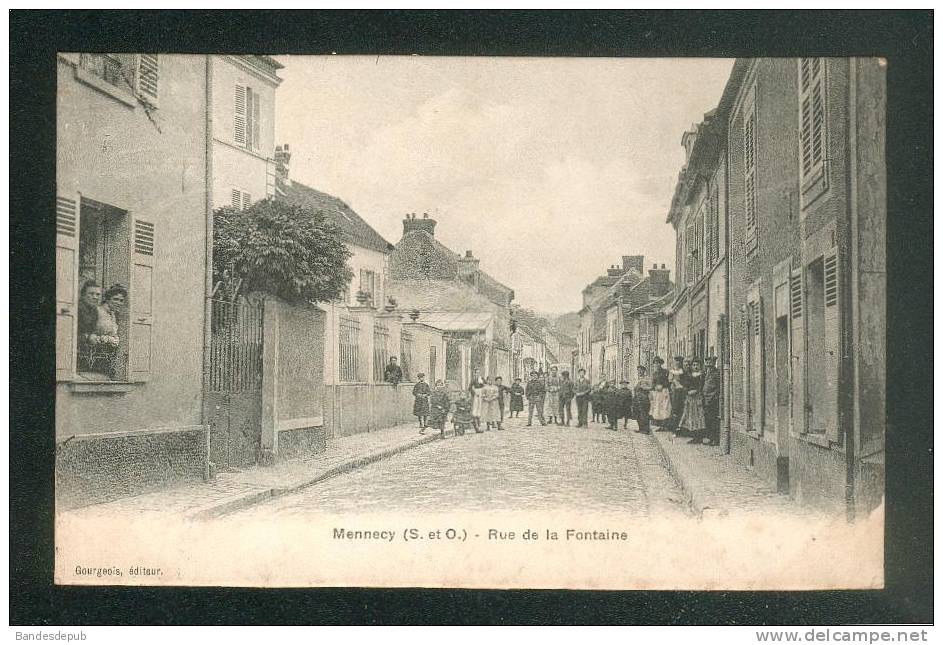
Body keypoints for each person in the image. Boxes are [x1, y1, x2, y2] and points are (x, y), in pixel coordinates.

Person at [679, 358, 706, 442]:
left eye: (697, 365)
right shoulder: (690, 375)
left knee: (698, 418)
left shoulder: (701, 375)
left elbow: (702, 386)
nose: (695, 367)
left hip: (697, 398)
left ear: (700, 366)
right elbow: (686, 385)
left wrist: (696, 391)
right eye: (694, 365)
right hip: (690, 399)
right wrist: (687, 391)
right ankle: (694, 436)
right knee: (691, 417)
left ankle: (698, 437)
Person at [701, 356, 721, 446]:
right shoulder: (705, 373)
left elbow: (717, 388)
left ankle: (715, 439)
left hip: (713, 401)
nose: (708, 365)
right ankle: (709, 438)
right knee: (708, 420)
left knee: (713, 420)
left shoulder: (716, 374)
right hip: (706, 400)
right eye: (707, 363)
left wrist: (713, 397)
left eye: (710, 363)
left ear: (714, 363)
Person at [650, 357, 672, 430]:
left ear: (661, 364)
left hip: (664, 391)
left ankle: (665, 425)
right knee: (658, 408)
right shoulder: (654, 373)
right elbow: (652, 383)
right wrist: (655, 387)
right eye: (655, 363)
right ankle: (660, 425)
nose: (656, 364)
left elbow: (668, 382)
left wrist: (663, 386)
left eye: (658, 363)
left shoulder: (665, 372)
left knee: (665, 407)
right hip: (658, 393)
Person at [668, 356, 687, 433]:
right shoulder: (673, 371)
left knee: (681, 409)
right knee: (674, 409)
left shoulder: (683, 371)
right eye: (676, 361)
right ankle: (674, 428)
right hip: (675, 392)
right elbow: (670, 381)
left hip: (682, 392)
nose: (677, 363)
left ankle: (680, 428)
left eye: (679, 362)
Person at [633, 366, 652, 434]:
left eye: (640, 370)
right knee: (638, 413)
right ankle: (640, 428)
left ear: (644, 371)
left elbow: (651, 387)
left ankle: (646, 430)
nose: (639, 372)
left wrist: (644, 387)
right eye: (638, 370)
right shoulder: (638, 378)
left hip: (644, 397)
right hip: (637, 398)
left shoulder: (647, 378)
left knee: (644, 414)